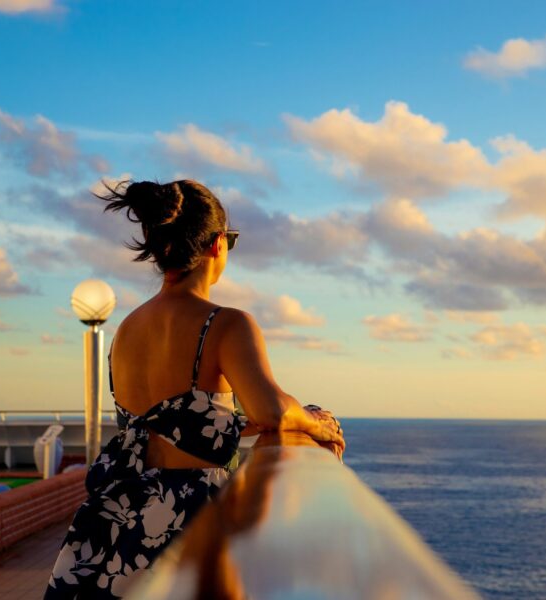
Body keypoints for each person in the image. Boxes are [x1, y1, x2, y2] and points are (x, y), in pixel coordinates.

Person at [44, 180, 345, 599]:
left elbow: (176, 422)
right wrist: (313, 421)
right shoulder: (225, 323)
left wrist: (244, 425)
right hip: (188, 522)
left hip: (119, 525)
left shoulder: (125, 330)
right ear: (218, 244)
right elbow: (272, 410)